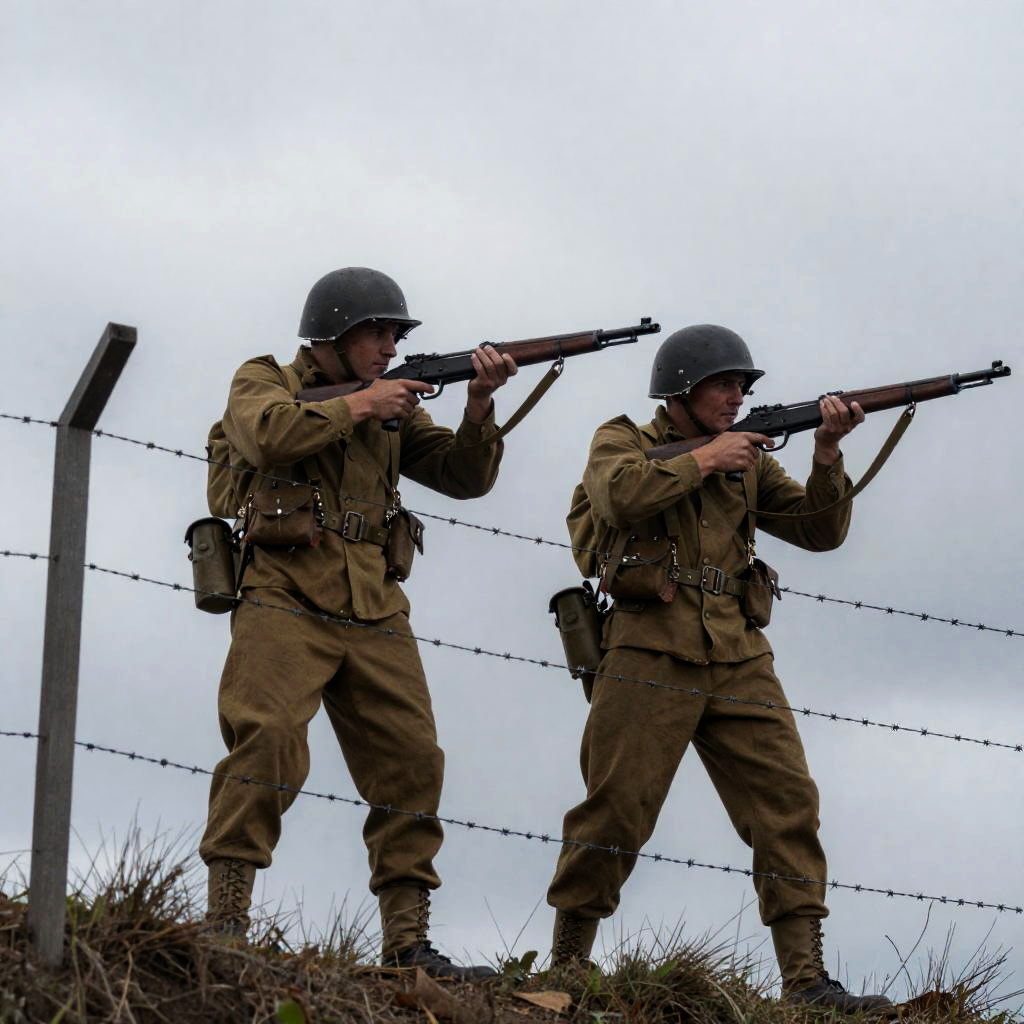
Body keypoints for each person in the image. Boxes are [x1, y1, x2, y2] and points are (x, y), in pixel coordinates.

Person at [545, 324, 893, 1013]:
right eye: (724, 385)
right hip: (648, 647)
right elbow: (618, 496)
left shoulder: (749, 459)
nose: (737, 398)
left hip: (739, 653)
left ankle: (806, 983)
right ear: (681, 390)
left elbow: (820, 530)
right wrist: (705, 460)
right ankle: (566, 967)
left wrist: (827, 451)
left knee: (787, 806)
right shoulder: (624, 440)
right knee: (615, 810)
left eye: (742, 387)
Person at [198, 267, 516, 980]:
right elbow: (267, 436)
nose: (390, 348)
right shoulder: (266, 379)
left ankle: (408, 945)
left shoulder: (393, 403)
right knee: (267, 741)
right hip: (283, 587)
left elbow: (464, 478)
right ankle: (225, 925)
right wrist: (363, 404)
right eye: (378, 334)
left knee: (413, 762)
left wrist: (479, 406)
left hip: (375, 603)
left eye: (395, 336)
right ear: (334, 334)